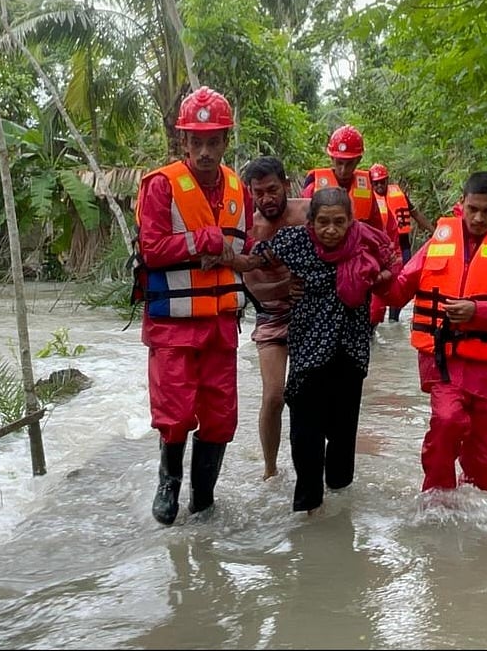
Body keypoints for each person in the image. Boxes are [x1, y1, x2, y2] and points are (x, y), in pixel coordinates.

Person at [381, 171, 487, 495]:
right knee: (446, 422)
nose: (477, 217)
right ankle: (436, 500)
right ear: (462, 202)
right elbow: (399, 291)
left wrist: (482, 313)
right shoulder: (440, 241)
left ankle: (475, 513)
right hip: (447, 362)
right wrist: (377, 277)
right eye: (472, 208)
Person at [132, 85, 256, 526]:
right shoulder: (161, 186)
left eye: (213, 141)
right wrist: (203, 241)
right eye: (196, 142)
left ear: (225, 141)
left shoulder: (241, 189)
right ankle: (169, 483)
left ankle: (204, 499)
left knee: (222, 419)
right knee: (177, 414)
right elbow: (152, 249)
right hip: (174, 327)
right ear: (182, 142)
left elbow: (246, 248)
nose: (205, 151)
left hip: (222, 325)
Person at [251, 187, 402, 513]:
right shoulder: (296, 241)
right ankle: (308, 509)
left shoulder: (366, 241)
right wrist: (225, 259)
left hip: (350, 350)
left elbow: (395, 261)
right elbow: (255, 258)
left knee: (343, 433)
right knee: (305, 430)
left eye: (338, 222)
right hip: (308, 351)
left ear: (350, 222)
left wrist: (380, 278)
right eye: (323, 222)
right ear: (311, 223)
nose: (330, 230)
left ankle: (340, 505)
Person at [241, 156, 310, 481]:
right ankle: (270, 469)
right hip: (270, 315)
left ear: (285, 185)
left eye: (272, 190)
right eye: (258, 193)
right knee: (273, 395)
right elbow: (258, 287)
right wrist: (289, 283)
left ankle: (309, 471)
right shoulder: (249, 229)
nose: (266, 199)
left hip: (311, 313)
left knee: (308, 396)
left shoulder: (309, 212)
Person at [301, 125, 398, 240]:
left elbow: (376, 229)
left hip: (357, 252)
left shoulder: (366, 187)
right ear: (332, 158)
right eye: (339, 163)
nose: (343, 170)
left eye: (349, 164)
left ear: (358, 161)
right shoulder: (314, 186)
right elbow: (304, 226)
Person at [367, 163, 434, 323]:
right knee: (376, 288)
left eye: (382, 182)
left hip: (402, 247)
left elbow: (416, 214)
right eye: (376, 183)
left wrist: (434, 232)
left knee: (399, 285)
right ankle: (374, 323)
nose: (379, 186)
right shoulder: (368, 200)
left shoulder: (399, 195)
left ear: (387, 180)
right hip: (379, 249)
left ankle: (393, 322)